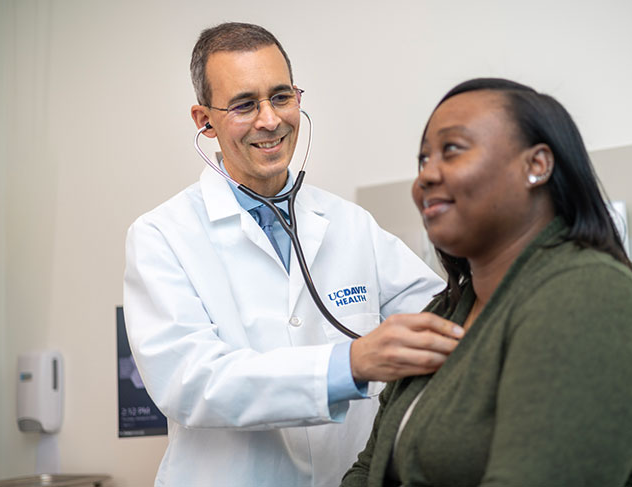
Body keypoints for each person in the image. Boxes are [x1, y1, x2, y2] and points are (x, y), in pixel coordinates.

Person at [122, 22, 459, 486]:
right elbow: (192, 382)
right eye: (244, 104)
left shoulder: (350, 224)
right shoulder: (162, 236)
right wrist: (351, 364)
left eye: (281, 96)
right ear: (204, 120)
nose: (269, 120)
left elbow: (443, 314)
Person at [341, 78, 632, 486]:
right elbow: (369, 470)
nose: (426, 176)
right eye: (422, 160)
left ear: (536, 165)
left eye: (451, 150)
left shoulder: (587, 298)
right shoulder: (448, 310)